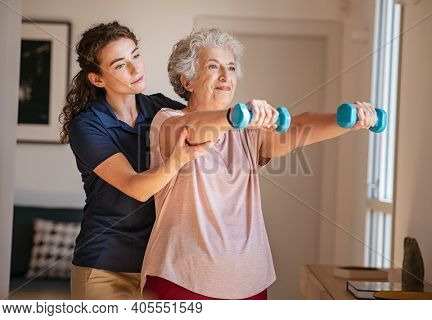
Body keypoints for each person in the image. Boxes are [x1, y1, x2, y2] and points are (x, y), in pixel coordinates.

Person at [140, 28, 378, 300]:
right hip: (181, 279)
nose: (225, 76)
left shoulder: (246, 131)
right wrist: (237, 116)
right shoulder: (167, 120)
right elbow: (192, 130)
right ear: (187, 81)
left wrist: (348, 120)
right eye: (213, 66)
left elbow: (299, 127)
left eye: (230, 68)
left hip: (249, 283)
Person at [60, 21, 211, 300]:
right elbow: (136, 187)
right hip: (105, 267)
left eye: (136, 56)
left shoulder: (161, 108)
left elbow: (205, 124)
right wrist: (178, 159)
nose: (135, 68)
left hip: (157, 265)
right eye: (119, 65)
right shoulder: (88, 126)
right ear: (97, 79)